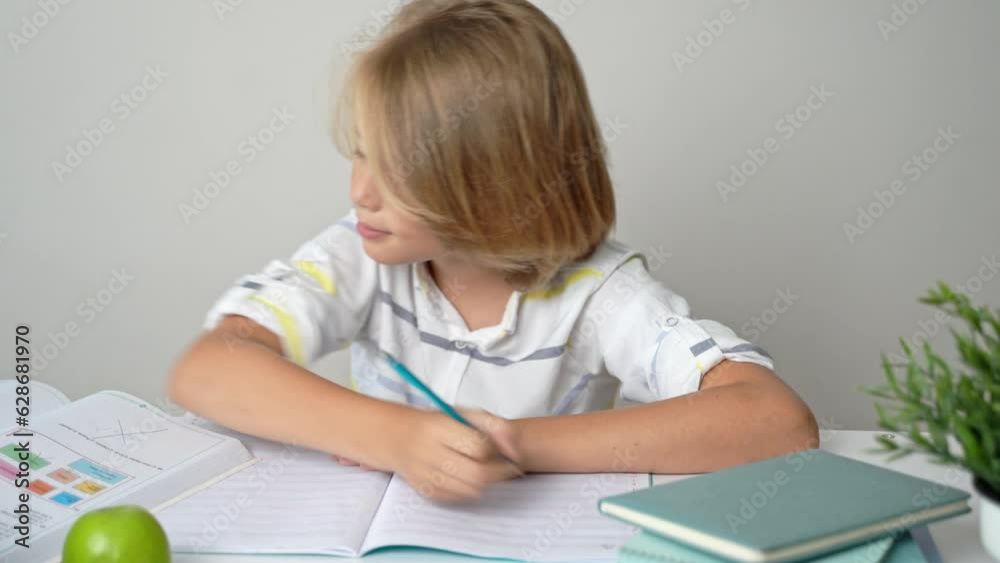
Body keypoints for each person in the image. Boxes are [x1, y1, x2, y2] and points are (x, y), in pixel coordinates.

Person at [168, 0, 818, 502]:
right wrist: (396, 438)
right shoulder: (363, 254)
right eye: (361, 150)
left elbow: (776, 422)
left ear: (497, 183)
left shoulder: (599, 293)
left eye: (396, 169)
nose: (360, 190)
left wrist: (515, 445)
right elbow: (206, 370)